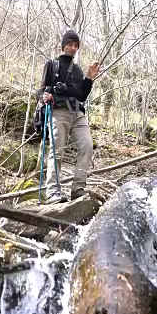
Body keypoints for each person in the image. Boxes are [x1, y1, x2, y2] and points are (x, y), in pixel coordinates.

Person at [39, 29, 100, 204]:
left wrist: (88, 78)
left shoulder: (78, 70)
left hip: (77, 113)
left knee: (87, 146)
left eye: (76, 45)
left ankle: (78, 189)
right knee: (56, 151)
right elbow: (42, 90)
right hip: (58, 111)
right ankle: (53, 192)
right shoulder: (52, 64)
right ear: (63, 45)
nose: (73, 48)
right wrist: (45, 96)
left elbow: (81, 95)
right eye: (70, 44)